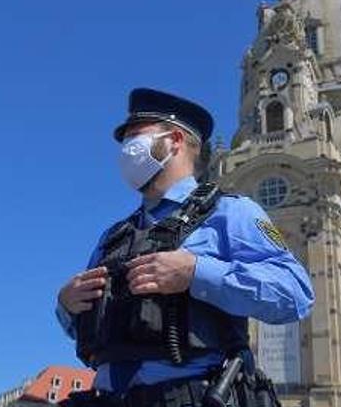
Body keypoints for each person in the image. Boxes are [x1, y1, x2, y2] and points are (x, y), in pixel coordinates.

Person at [56, 88, 315, 406]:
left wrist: (196, 272)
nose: (127, 149)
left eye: (136, 135)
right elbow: (96, 333)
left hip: (189, 395)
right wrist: (67, 307)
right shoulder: (113, 237)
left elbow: (295, 295)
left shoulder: (231, 212)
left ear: (174, 140)